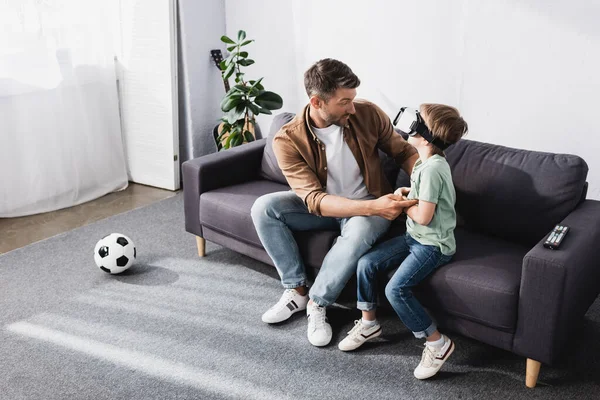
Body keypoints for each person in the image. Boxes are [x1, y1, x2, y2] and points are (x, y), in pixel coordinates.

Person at [250, 59, 418, 347]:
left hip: (368, 203)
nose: (352, 108)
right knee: (264, 208)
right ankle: (297, 290)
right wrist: (374, 207)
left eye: (352, 100)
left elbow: (404, 152)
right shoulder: (288, 139)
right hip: (328, 207)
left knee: (360, 231)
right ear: (317, 102)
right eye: (344, 102)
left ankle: (317, 302)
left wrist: (424, 181)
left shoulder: (366, 114)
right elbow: (314, 200)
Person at [337, 104, 468, 380]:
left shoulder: (433, 168)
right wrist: (409, 192)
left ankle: (437, 342)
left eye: (417, 121)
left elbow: (422, 215)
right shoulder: (423, 162)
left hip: (433, 245)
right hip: (414, 237)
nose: (410, 124)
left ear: (426, 134)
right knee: (367, 263)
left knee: (396, 290)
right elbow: (426, 197)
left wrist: (401, 203)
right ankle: (369, 324)